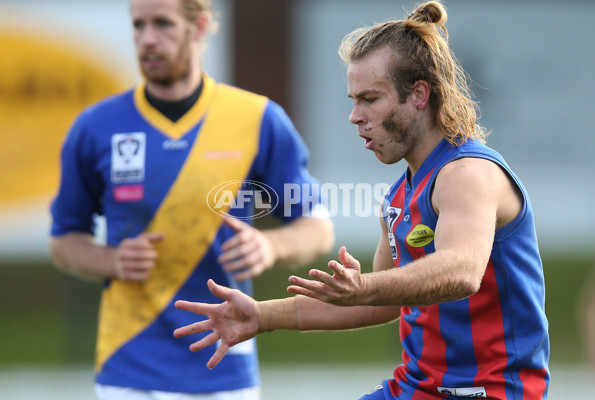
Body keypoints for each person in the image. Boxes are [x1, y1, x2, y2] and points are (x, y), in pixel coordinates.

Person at [173, 1, 550, 399]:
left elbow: (461, 272)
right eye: (353, 100)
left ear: (419, 94)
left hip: (489, 392)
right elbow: (377, 303)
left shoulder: (466, 174)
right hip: (416, 388)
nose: (355, 116)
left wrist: (364, 287)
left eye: (370, 99)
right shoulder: (399, 194)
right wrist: (262, 315)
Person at [48, 0, 334, 399]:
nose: (147, 38)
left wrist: (271, 245)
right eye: (138, 25)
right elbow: (64, 240)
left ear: (198, 26)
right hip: (128, 363)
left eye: (162, 23)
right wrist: (110, 260)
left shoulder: (257, 118)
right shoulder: (96, 127)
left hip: (225, 362)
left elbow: (317, 227)